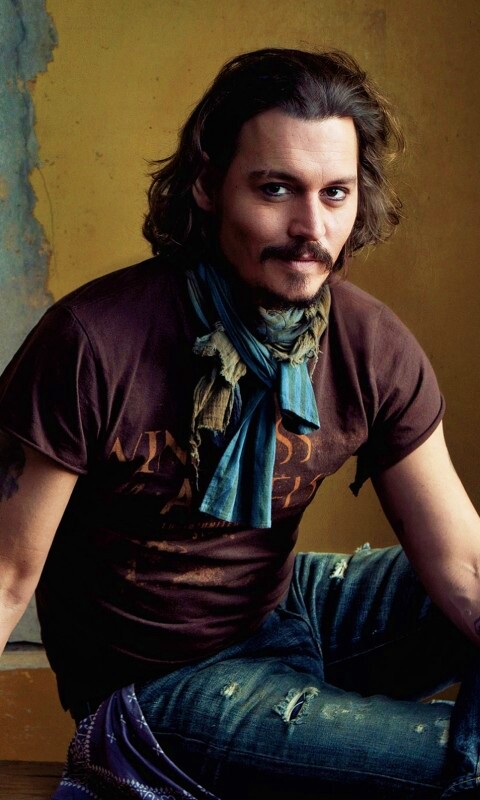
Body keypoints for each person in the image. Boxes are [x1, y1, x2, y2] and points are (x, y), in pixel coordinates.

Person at [0, 47, 479, 799]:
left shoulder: (369, 344)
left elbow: (463, 566)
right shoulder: (91, 343)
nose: (310, 227)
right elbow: (5, 579)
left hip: (284, 606)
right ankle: (133, 763)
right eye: (275, 188)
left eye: (335, 193)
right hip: (161, 689)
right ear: (207, 185)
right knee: (454, 768)